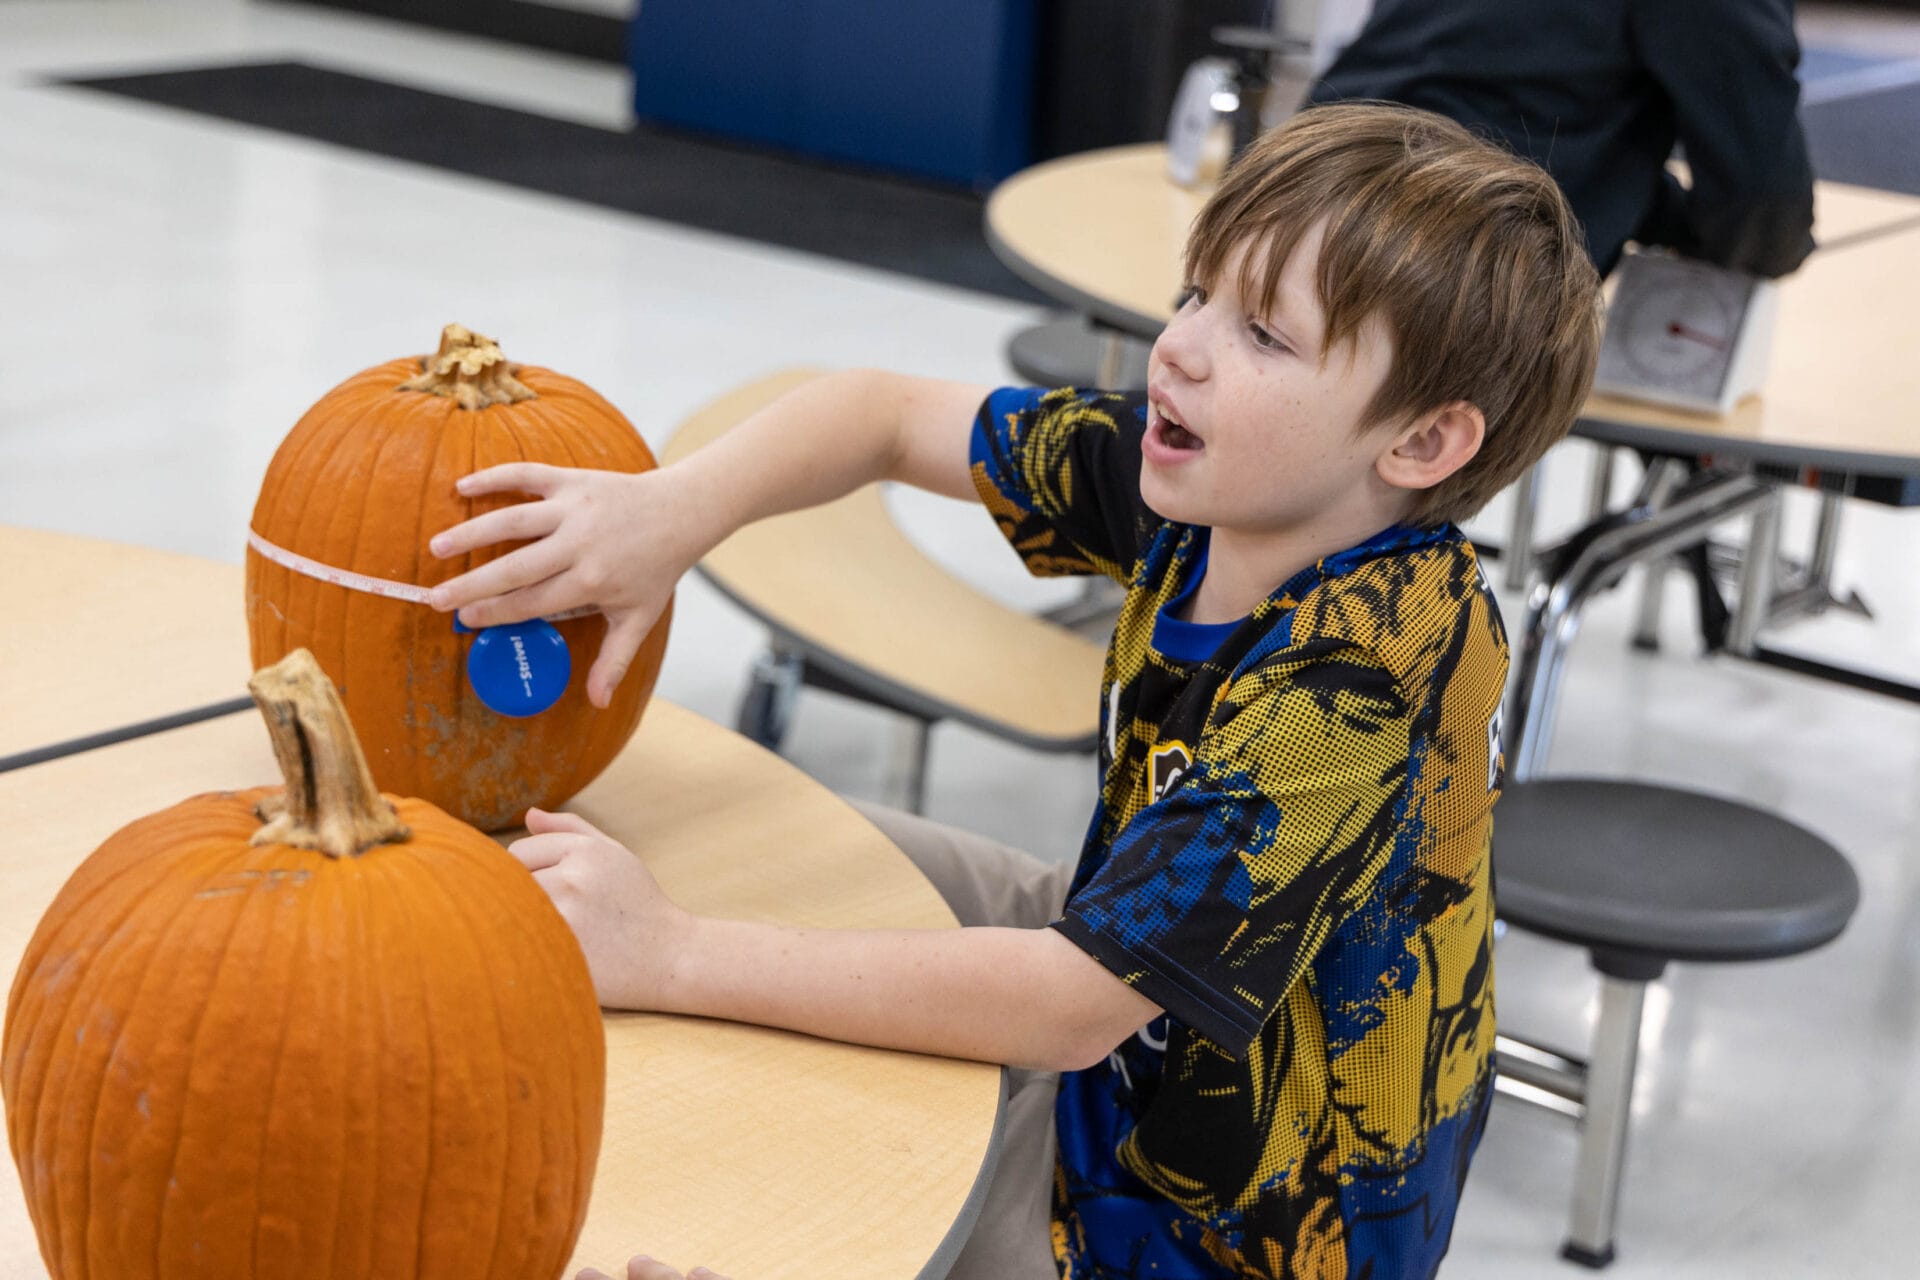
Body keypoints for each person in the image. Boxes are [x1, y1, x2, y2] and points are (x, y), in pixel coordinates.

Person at [427, 102, 1602, 1280]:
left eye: (1262, 334)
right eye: (1197, 293)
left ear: (1421, 444)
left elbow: (1069, 1006)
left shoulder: (1362, 674)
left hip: (1197, 1224)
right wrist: (672, 509)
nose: (1180, 348)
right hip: (1118, 988)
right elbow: (884, 415)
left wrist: (675, 956)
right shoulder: (1225, 482)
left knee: (742, 1171)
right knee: (739, 840)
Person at [1309, 0, 1817, 279]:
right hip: (1443, 261)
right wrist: (1755, 246)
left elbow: (1521, 95)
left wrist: (1656, 212)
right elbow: (1761, 196)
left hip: (1305, 185)